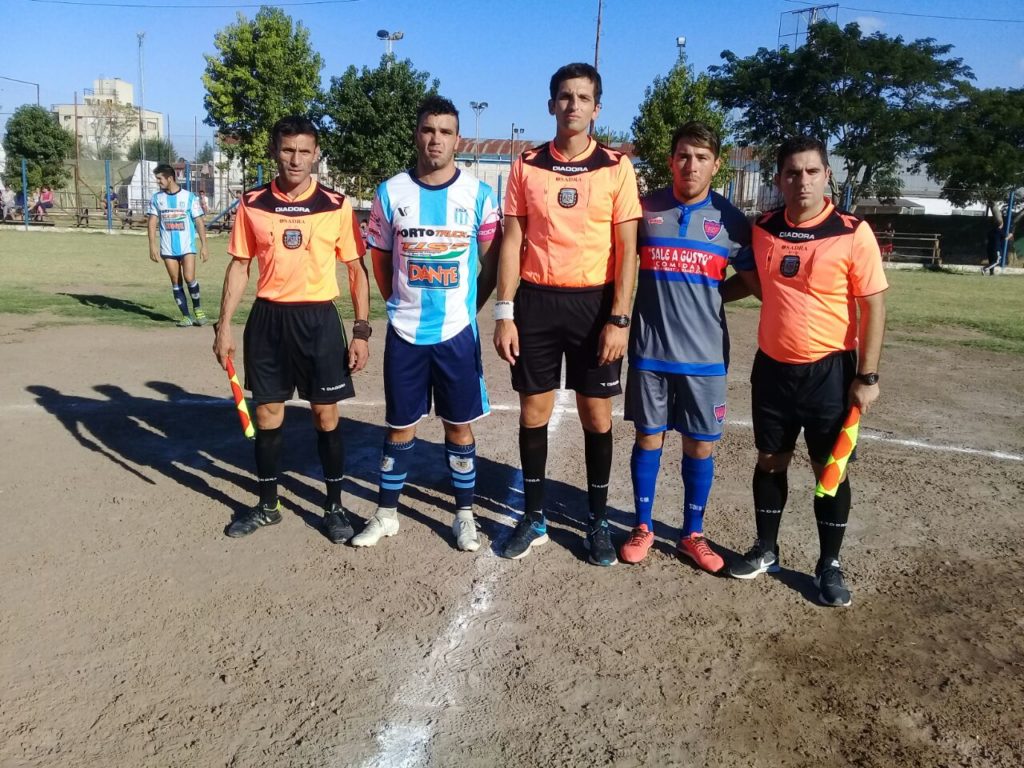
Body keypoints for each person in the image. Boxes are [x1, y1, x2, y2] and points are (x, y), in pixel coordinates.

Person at [729, 136, 888, 608]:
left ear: (827, 175)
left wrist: (868, 376)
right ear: (779, 179)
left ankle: (829, 565)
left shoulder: (852, 231)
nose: (803, 181)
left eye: (812, 171)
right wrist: (700, 295)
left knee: (829, 470)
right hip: (772, 370)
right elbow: (751, 282)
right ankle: (766, 549)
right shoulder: (763, 228)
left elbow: (873, 305)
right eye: (793, 173)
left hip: (830, 373)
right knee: (769, 460)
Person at [493, 62, 641, 566]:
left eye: (582, 97)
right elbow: (512, 241)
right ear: (551, 104)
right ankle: (534, 516)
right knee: (534, 411)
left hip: (594, 306)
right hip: (535, 303)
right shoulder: (527, 164)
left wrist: (619, 319)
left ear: (596, 109)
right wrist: (504, 311)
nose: (572, 104)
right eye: (564, 96)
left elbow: (628, 250)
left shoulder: (617, 167)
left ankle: (597, 521)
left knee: (596, 415)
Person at [213, 115, 371, 543]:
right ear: (274, 151)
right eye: (287, 150)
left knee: (325, 415)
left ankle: (334, 507)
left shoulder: (336, 205)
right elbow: (240, 266)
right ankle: (268, 506)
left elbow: (356, 270)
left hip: (319, 321)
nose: (295, 159)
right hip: (269, 320)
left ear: (316, 154)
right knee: (267, 415)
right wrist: (224, 326)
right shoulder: (252, 203)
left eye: (304, 151)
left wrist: (361, 331)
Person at [355, 95, 502, 552]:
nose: (435, 139)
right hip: (405, 333)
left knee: (458, 427)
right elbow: (381, 262)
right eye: (428, 130)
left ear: (458, 139)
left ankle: (464, 516)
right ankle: (386, 514)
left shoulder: (478, 195)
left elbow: (493, 265)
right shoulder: (390, 192)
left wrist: (470, 308)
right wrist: (398, 302)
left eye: (445, 131)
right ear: (416, 134)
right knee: (400, 427)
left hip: (457, 333)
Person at [619, 122, 755, 572]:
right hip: (650, 352)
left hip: (705, 356)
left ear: (716, 165)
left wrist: (713, 294)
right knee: (648, 438)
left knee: (700, 446)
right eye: (683, 156)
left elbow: (751, 280)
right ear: (670, 161)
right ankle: (642, 526)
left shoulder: (732, 221)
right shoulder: (646, 209)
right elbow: (621, 262)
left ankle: (692, 534)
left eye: (701, 157)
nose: (690, 165)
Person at [147, 164, 210, 327]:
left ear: (170, 178)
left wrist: (204, 245)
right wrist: (152, 245)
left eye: (160, 179)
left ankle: (198, 310)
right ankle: (186, 316)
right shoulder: (157, 198)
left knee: (189, 278)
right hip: (167, 248)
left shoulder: (189, 197)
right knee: (176, 281)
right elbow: (152, 222)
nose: (158, 182)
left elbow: (199, 221)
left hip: (187, 247)